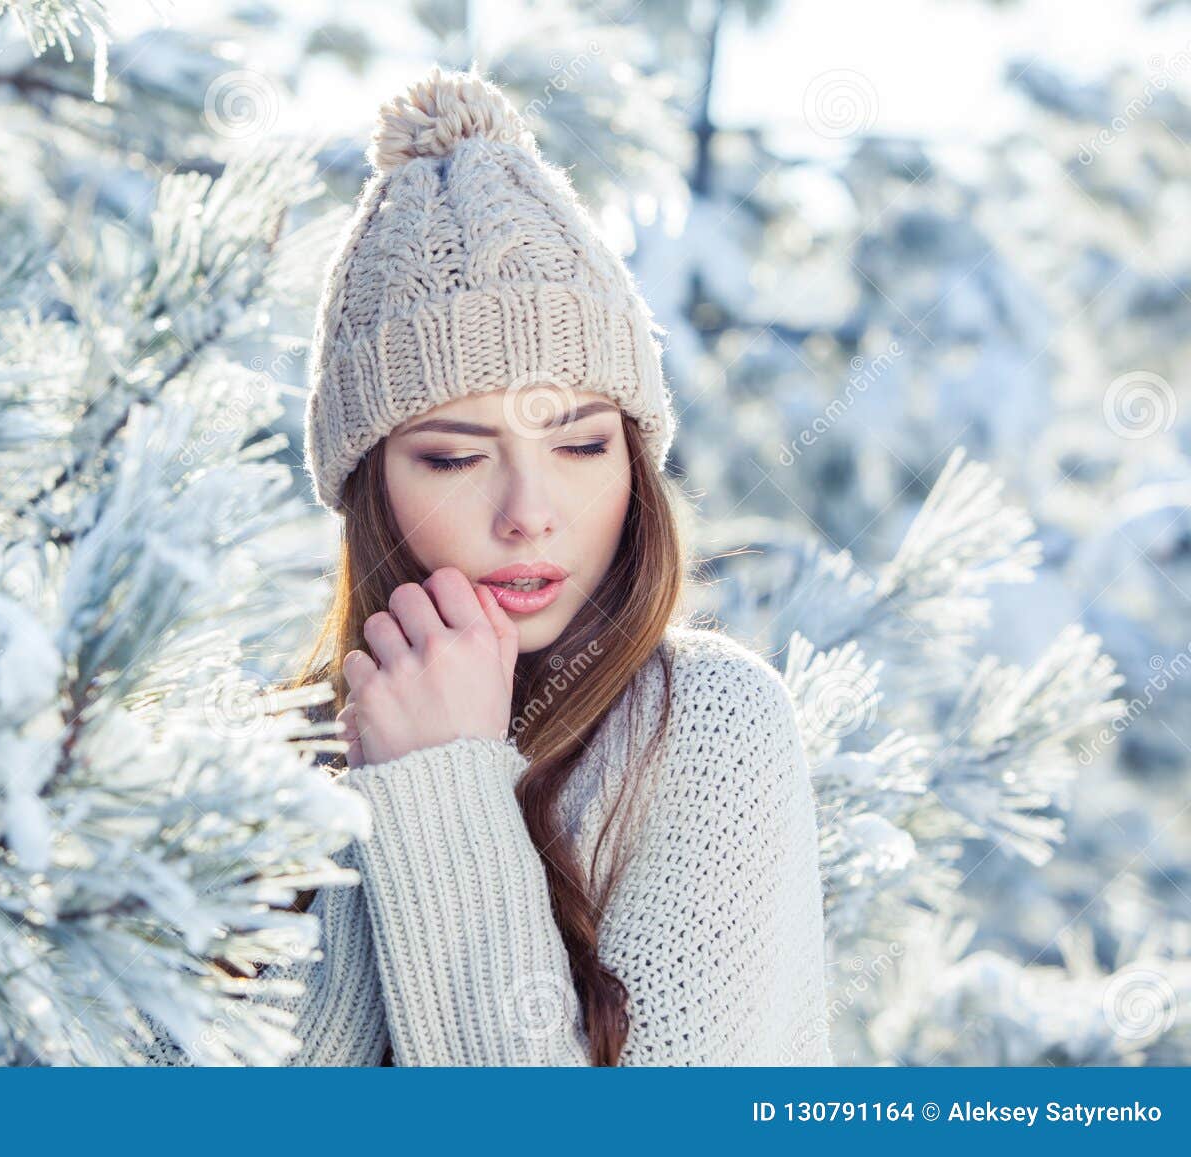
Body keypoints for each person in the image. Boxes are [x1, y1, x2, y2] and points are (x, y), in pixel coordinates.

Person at [151, 63, 832, 1067]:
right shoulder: (257, 772)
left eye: (581, 445)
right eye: (456, 458)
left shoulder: (706, 722)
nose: (529, 515)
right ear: (369, 485)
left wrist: (438, 784)